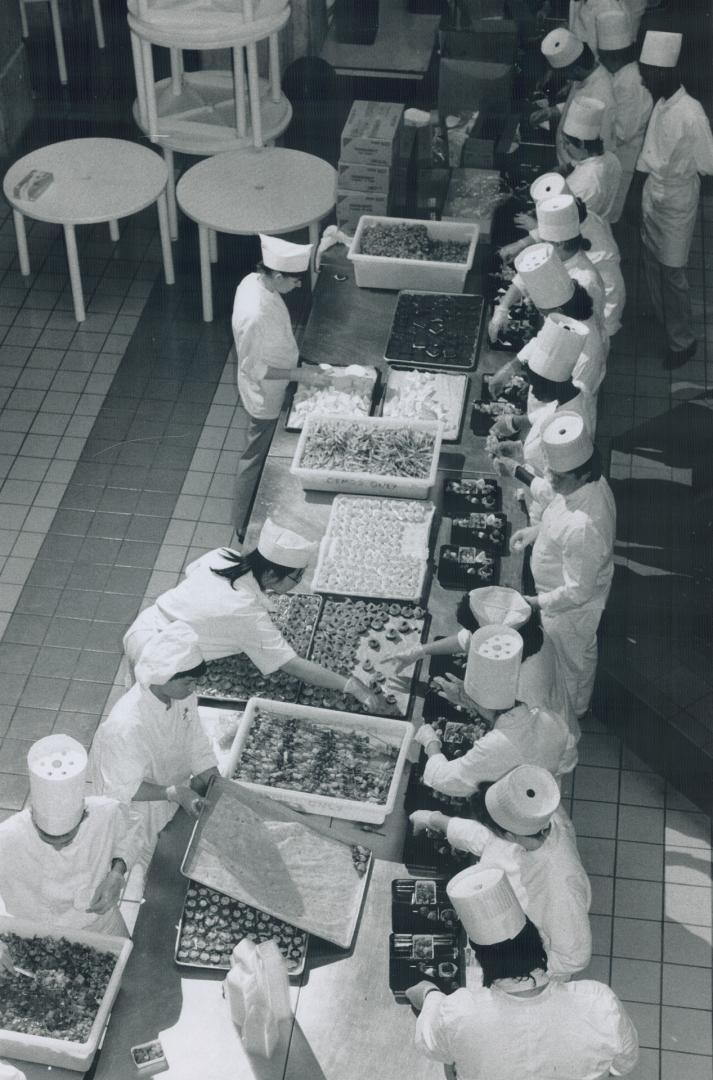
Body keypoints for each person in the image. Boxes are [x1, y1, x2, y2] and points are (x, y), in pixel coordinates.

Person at [408, 866, 639, 1080]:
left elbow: (430, 1042)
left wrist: (429, 994)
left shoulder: (460, 1012)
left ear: (481, 959)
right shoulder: (599, 1002)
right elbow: (623, 1065)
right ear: (536, 941)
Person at [123, 518, 378, 710]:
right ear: (269, 575)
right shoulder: (245, 612)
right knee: (149, 714)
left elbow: (193, 574)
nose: (298, 583)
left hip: (144, 626)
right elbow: (292, 664)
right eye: (295, 577)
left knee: (135, 690)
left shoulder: (222, 555)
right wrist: (351, 685)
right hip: (163, 657)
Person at [410, 766, 592, 977]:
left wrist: (512, 973)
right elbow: (487, 839)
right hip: (499, 921)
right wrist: (436, 819)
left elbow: (574, 959)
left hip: (527, 961)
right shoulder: (534, 819)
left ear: (510, 835)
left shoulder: (560, 886)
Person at [511, 411, 616, 719]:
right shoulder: (582, 486)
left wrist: (536, 601)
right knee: (566, 657)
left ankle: (572, 715)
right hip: (559, 598)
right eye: (550, 473)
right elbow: (558, 509)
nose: (551, 481)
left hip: (571, 610)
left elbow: (578, 591)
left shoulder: (586, 525)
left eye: (558, 477)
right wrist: (536, 532)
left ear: (582, 473)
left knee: (572, 663)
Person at [91, 623, 220, 871]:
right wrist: (173, 793)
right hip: (145, 805)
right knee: (156, 859)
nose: (194, 689)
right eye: (188, 683)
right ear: (163, 677)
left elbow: (195, 741)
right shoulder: (126, 726)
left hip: (175, 787)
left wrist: (218, 782)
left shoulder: (182, 696)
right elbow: (123, 788)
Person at [231, 234, 331, 540]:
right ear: (276, 275)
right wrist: (300, 375)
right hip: (263, 394)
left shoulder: (255, 280)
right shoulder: (254, 313)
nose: (298, 286)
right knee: (255, 456)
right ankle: (241, 525)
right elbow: (255, 368)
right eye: (296, 281)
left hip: (282, 369)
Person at [0, 735, 141, 940]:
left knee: (129, 968)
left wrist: (117, 873)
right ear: (31, 815)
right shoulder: (8, 836)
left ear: (84, 814)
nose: (58, 847)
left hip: (100, 925)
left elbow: (130, 835)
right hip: (36, 936)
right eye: (47, 837)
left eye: (67, 838)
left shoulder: (105, 812)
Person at [413, 625, 576, 797]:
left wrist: (430, 741)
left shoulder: (496, 745)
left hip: (524, 795)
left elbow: (444, 779)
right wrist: (470, 700)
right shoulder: (543, 715)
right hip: (549, 772)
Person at [387, 585, 571, 730]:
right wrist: (419, 651)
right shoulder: (521, 633)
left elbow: (517, 729)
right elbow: (465, 640)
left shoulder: (528, 680)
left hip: (541, 739)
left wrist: (468, 701)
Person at [636, 31, 713, 368]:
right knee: (653, 263)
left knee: (672, 272)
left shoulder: (692, 114)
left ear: (667, 73)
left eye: (649, 73)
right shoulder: (662, 103)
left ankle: (682, 342)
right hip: (654, 195)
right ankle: (665, 319)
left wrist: (680, 179)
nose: (644, 78)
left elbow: (708, 164)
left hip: (678, 203)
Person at [490, 245, 608, 418]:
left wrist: (518, 421)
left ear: (559, 311)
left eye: (543, 312)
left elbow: (566, 410)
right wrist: (511, 367)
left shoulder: (587, 356)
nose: (541, 315)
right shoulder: (566, 318)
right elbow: (543, 340)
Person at [501, 174, 626, 337]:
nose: (543, 247)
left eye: (546, 242)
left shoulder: (586, 274)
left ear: (559, 243)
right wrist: (502, 308)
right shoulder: (574, 225)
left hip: (597, 317)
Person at [596, 10, 653, 222]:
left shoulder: (630, 83)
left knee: (608, 214)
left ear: (614, 56)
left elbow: (624, 132)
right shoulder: (621, 74)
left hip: (623, 157)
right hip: (615, 154)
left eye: (603, 56)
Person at [533, 29, 615, 170]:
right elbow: (578, 108)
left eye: (564, 73)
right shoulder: (585, 75)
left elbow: (599, 150)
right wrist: (552, 111)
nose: (565, 78)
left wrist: (568, 169)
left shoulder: (601, 95)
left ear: (576, 70)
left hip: (579, 170)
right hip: (568, 161)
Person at [560, 98, 624, 223]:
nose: (564, 147)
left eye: (567, 143)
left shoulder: (587, 181)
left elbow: (565, 221)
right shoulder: (611, 158)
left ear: (582, 144)